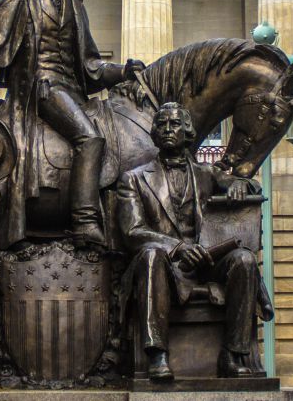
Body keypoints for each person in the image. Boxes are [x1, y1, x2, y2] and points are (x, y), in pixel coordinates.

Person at [0, 0, 145, 248]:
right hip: (40, 87)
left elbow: (91, 66)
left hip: (73, 89)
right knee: (90, 137)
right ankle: (85, 221)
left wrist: (124, 71)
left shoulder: (75, 4)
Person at [115, 103, 273, 380]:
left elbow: (249, 185)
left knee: (244, 260)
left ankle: (233, 354)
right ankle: (158, 355)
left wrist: (239, 185)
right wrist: (177, 248)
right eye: (161, 125)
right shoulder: (134, 179)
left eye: (174, 124)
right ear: (153, 133)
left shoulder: (207, 174)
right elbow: (133, 231)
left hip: (205, 262)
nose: (167, 130)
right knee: (152, 255)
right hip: (164, 263)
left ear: (188, 132)